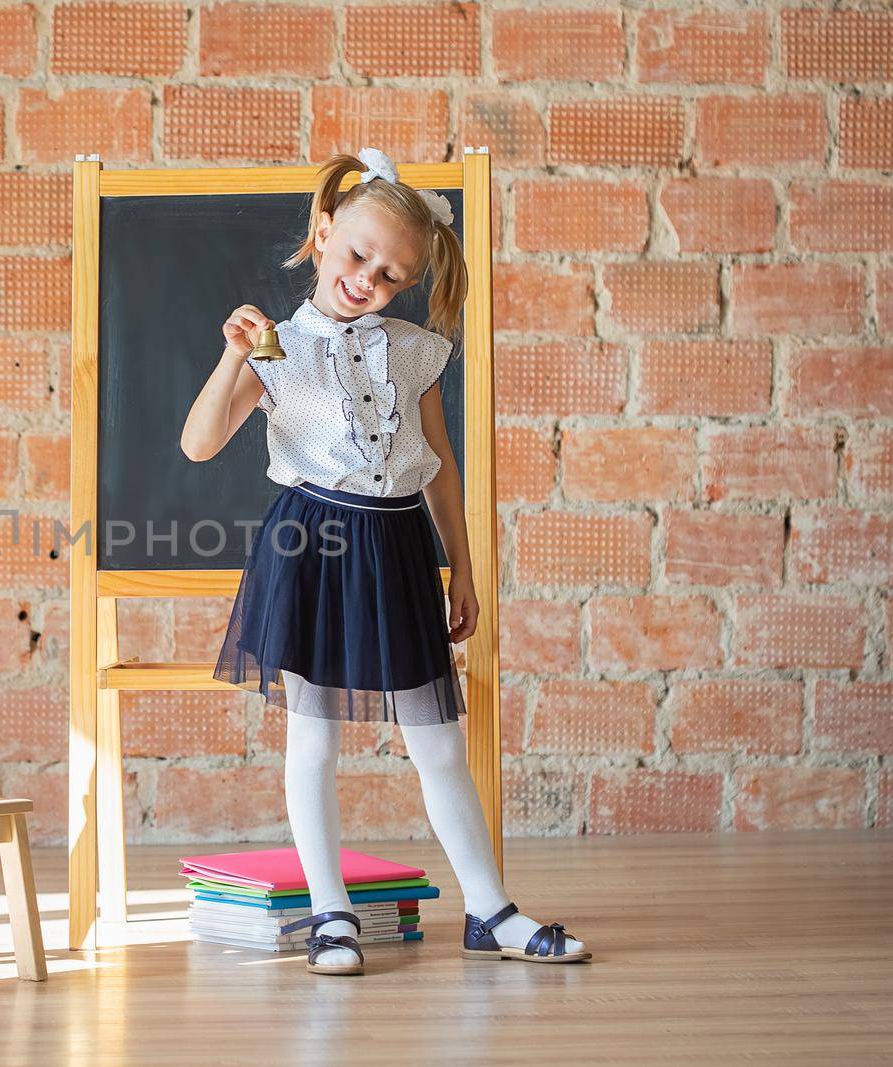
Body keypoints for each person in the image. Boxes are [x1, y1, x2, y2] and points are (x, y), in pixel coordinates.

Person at [180, 147, 591, 976]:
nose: (368, 279)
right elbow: (198, 445)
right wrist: (234, 354)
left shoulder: (414, 350)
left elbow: (440, 468)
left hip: (399, 544)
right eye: (359, 256)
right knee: (315, 739)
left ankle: (490, 910)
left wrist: (463, 570)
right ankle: (330, 912)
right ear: (324, 233)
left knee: (438, 740)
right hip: (314, 548)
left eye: (392, 275)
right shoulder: (277, 348)